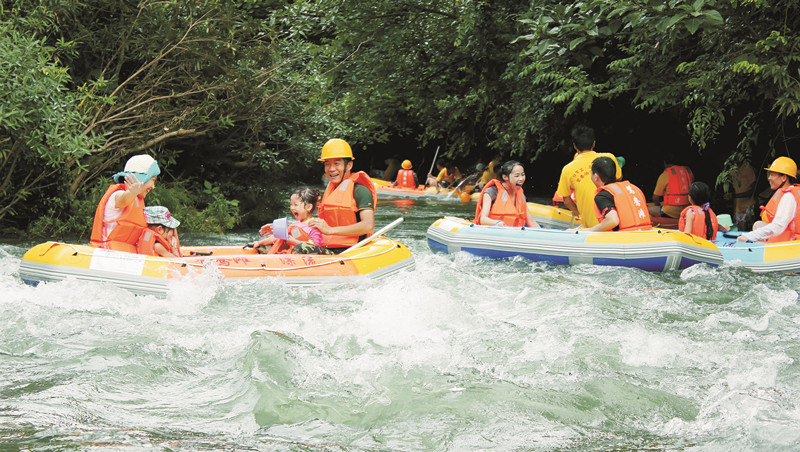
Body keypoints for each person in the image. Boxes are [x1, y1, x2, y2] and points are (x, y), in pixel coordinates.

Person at [307, 139, 377, 254]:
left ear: (349, 165)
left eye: (336, 163)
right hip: (329, 245)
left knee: (301, 250)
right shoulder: (330, 190)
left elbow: (368, 226)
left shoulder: (360, 191)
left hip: (351, 248)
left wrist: (330, 230)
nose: (331, 169)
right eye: (327, 164)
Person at [90, 154, 161, 253]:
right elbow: (123, 200)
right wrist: (132, 193)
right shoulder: (117, 195)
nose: (153, 186)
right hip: (107, 253)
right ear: (141, 178)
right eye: (153, 180)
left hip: (127, 254)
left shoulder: (138, 201)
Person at [555, 125, 622, 228]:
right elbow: (619, 178)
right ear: (594, 143)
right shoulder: (608, 158)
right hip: (618, 221)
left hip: (593, 227)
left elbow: (566, 200)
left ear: (575, 146)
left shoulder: (568, 169)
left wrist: (577, 212)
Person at [738, 156, 800, 243]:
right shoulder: (792, 191)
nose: (769, 178)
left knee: (754, 242)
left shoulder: (788, 196)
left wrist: (749, 236)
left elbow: (778, 226)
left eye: (772, 174)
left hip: (793, 243)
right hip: (788, 236)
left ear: (784, 178)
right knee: (758, 225)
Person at [583, 157, 652, 232]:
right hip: (646, 234)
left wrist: (590, 230)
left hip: (626, 238)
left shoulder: (602, 196)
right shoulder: (634, 188)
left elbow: (613, 221)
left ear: (596, 176)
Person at [255, 187, 324, 254]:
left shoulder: (314, 227)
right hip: (290, 254)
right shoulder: (294, 225)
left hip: (302, 257)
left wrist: (293, 241)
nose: (292, 208)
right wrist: (259, 242)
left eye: (295, 205)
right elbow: (278, 238)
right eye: (291, 204)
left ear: (308, 207)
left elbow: (314, 247)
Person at [474, 160, 541, 228]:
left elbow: (531, 222)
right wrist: (497, 223)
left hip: (515, 234)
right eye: (517, 176)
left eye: (523, 175)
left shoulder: (521, 195)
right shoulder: (492, 192)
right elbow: (483, 219)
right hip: (494, 233)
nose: (521, 179)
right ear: (505, 177)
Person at [723, 159, 757, 230]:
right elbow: (736, 190)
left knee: (748, 231)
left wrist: (734, 196)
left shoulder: (747, 168)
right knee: (739, 231)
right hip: (738, 208)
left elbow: (753, 190)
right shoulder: (733, 171)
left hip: (748, 206)